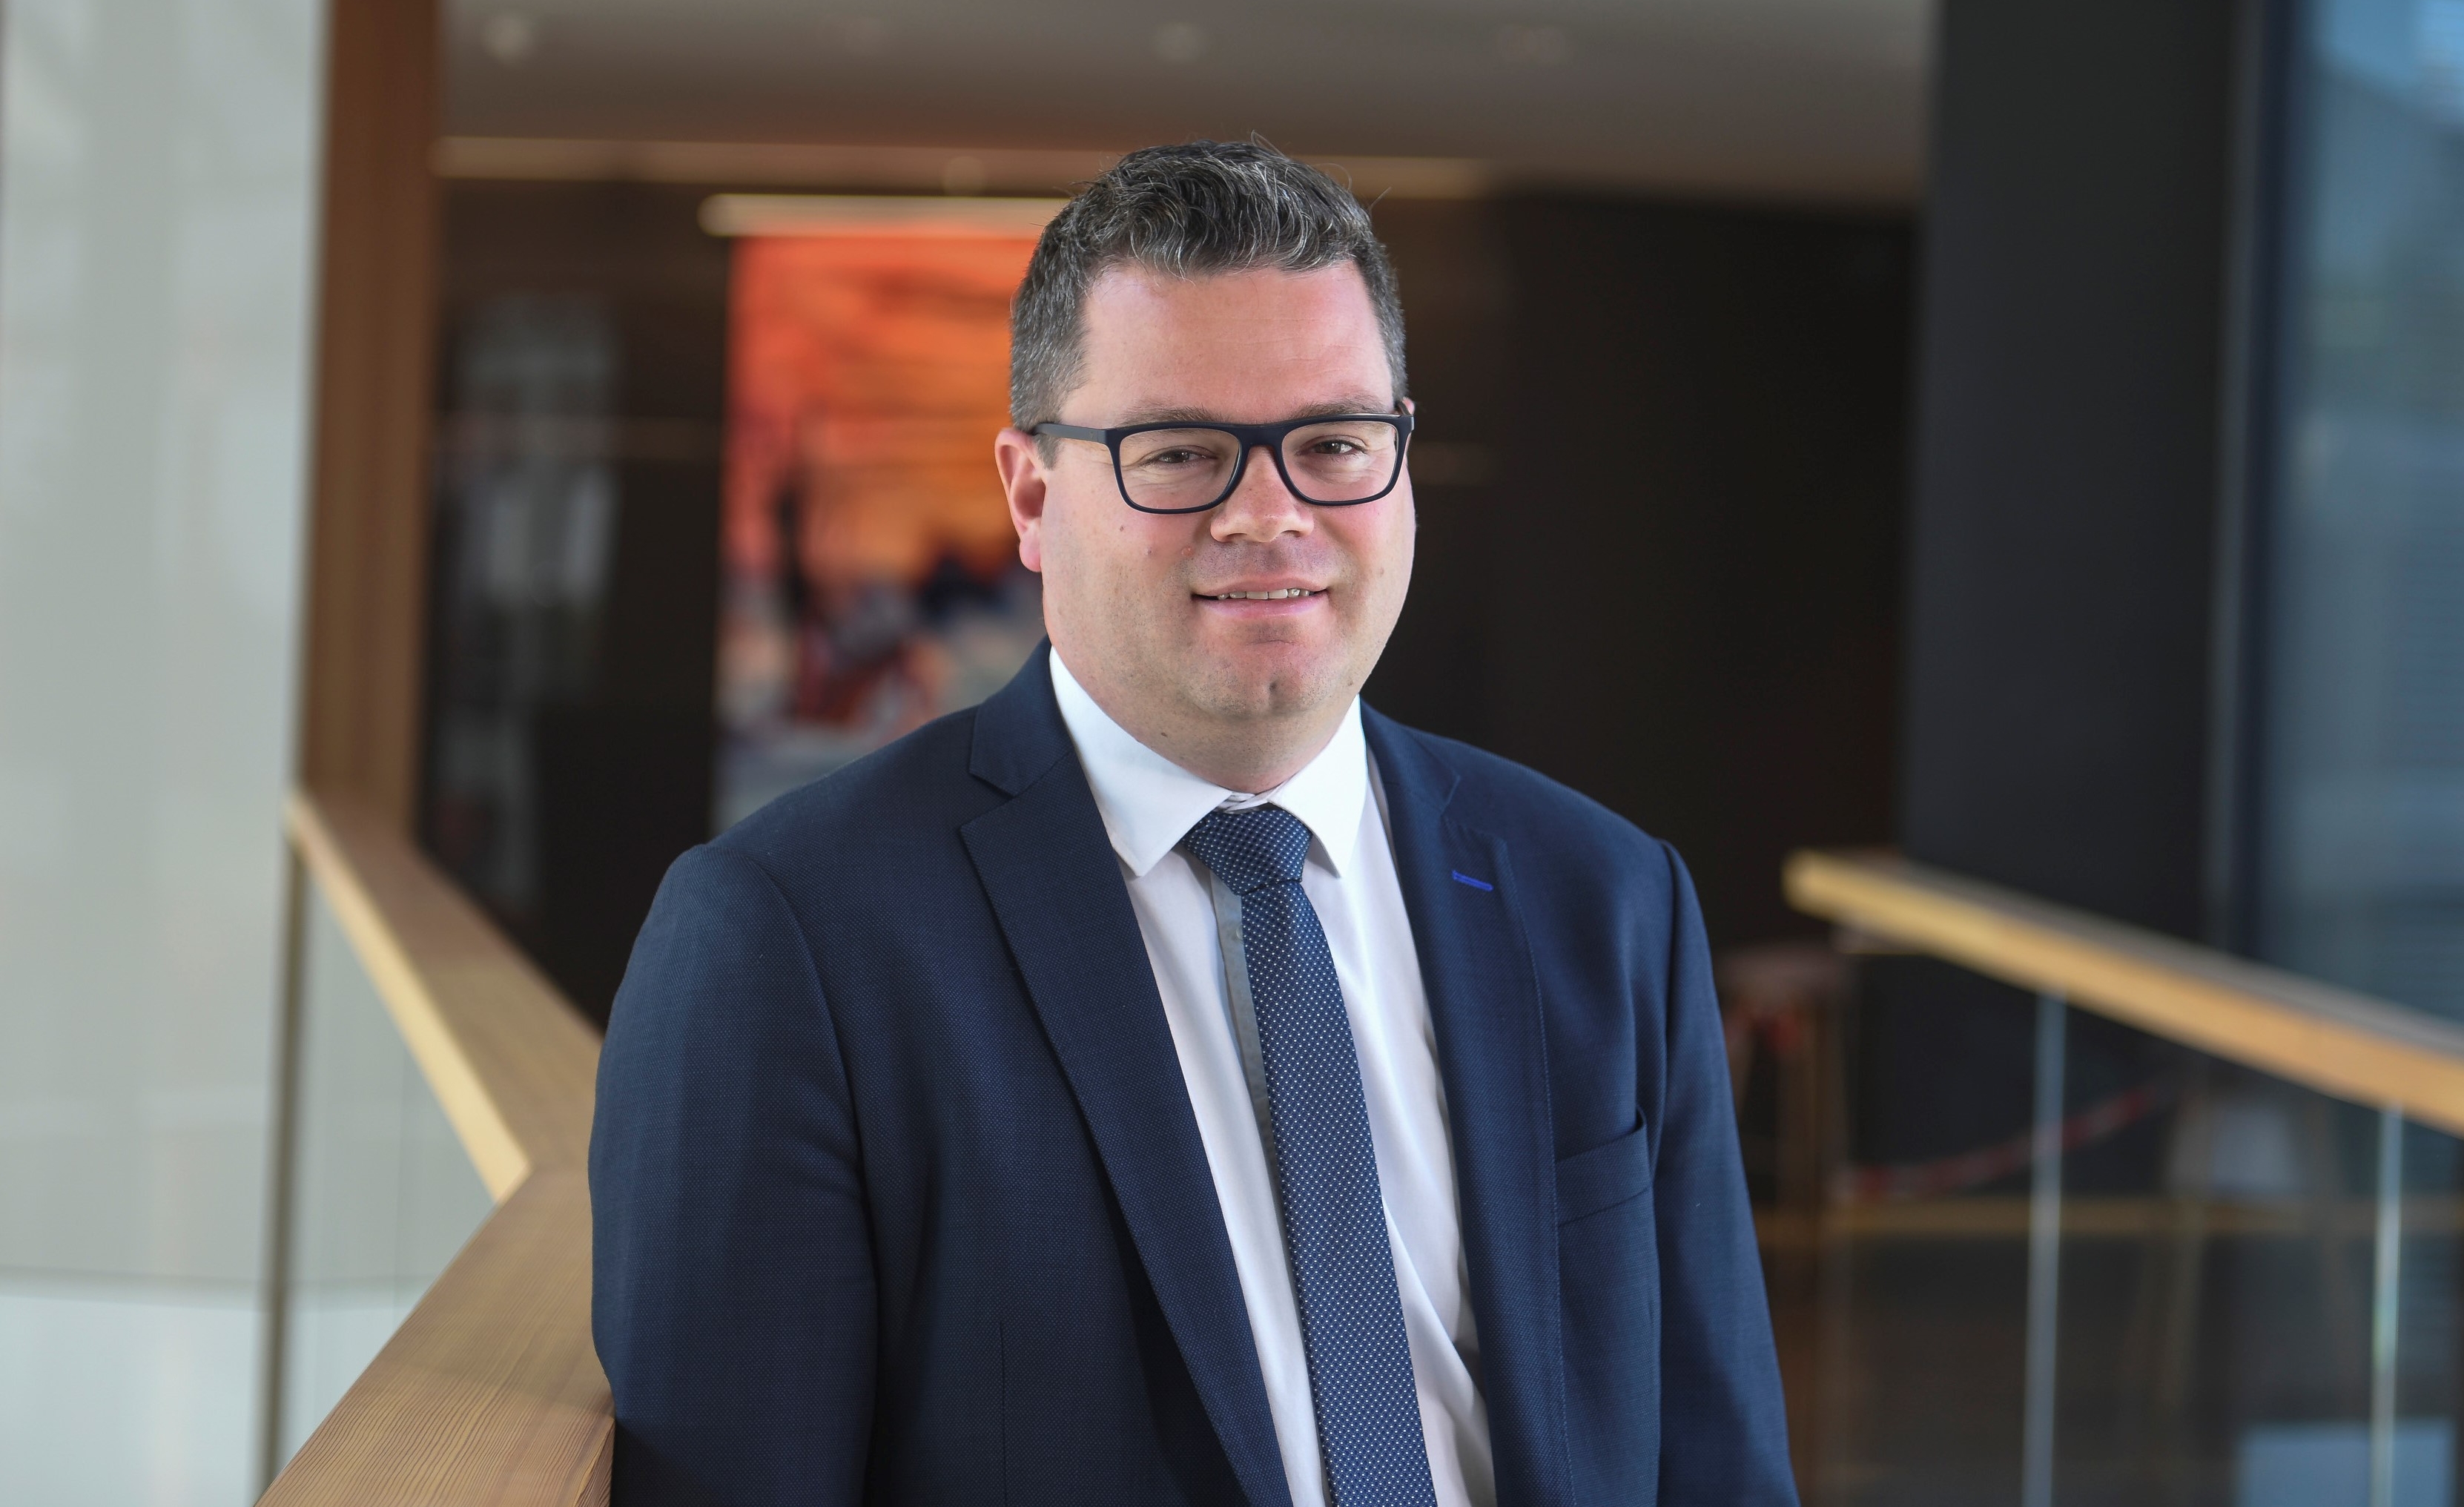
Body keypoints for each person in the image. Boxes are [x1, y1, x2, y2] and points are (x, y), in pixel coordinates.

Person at [591, 139, 1796, 1507]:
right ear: (1031, 494)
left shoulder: (1607, 897)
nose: (1269, 515)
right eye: (1178, 453)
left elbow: (1718, 1469)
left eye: (1333, 445)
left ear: (1400, 461)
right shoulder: (787, 939)